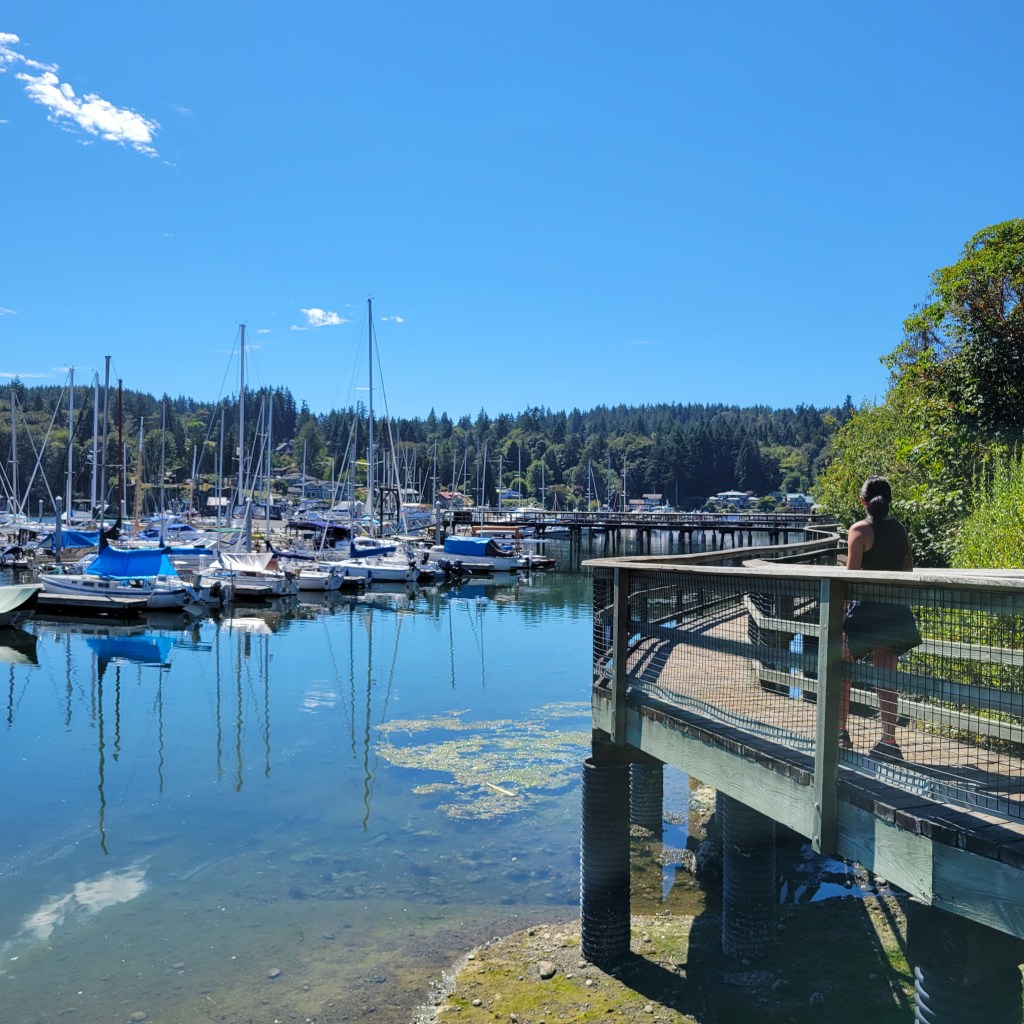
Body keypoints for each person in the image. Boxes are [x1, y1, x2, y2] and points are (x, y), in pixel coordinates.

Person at [839, 476, 921, 761]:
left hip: (867, 613)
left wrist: (842, 618)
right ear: (889, 501)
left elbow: (850, 580)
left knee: (840, 666)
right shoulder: (901, 531)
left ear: (862, 501)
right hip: (894, 612)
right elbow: (908, 571)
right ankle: (888, 741)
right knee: (886, 678)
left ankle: (840, 733)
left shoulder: (859, 530)